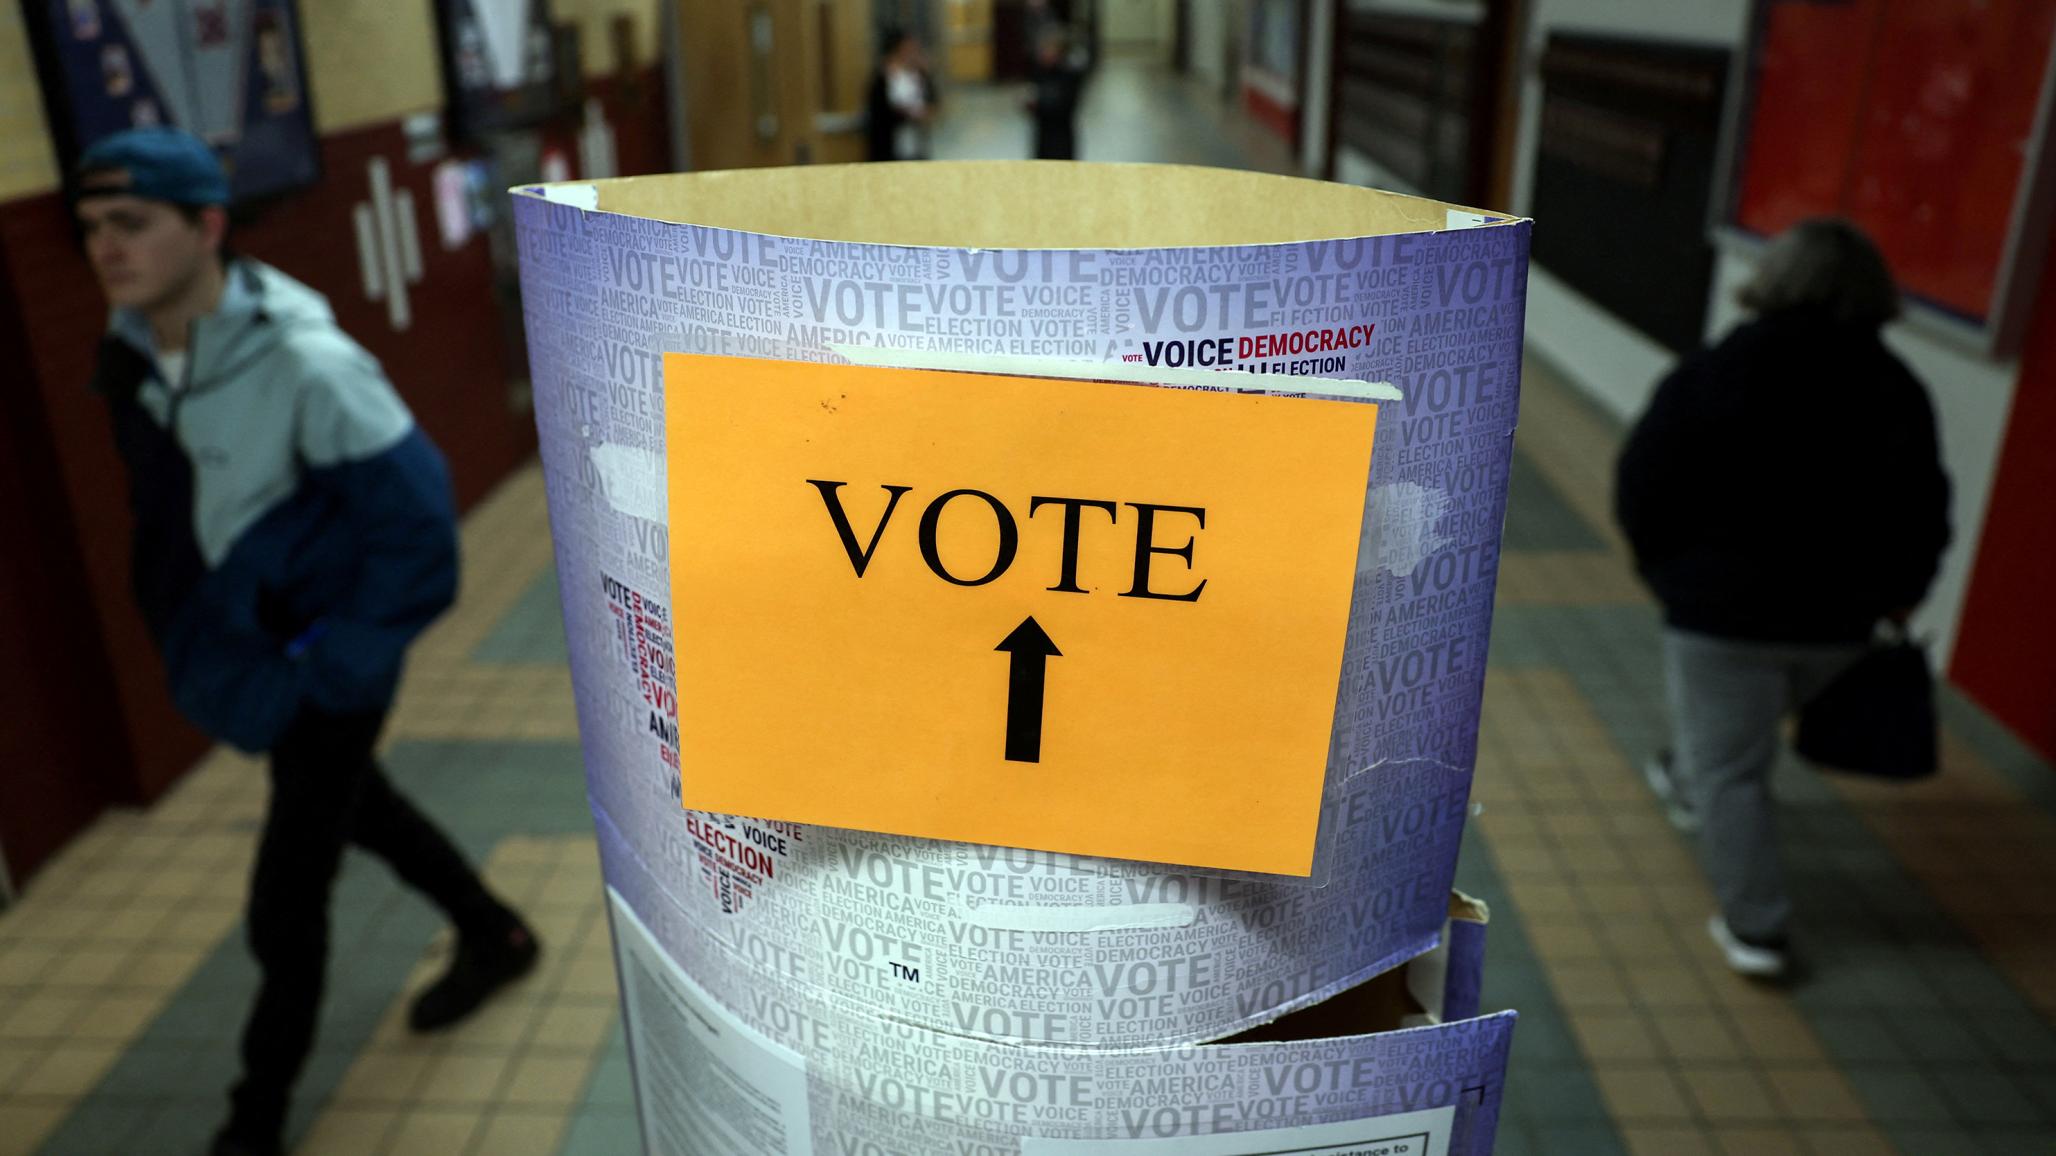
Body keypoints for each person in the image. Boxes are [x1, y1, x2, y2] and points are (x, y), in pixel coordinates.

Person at [71, 127, 538, 1156]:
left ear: (207, 226)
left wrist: (330, 669)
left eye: (132, 224)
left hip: (322, 661)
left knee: (287, 901)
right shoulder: (136, 341)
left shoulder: (307, 363)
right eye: (93, 227)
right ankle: (496, 929)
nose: (107, 248)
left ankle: (255, 1120)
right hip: (258, 657)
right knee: (357, 805)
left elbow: (419, 537)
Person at [1615, 218, 1950, 980]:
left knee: (1733, 772)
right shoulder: (1896, 388)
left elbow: (1644, 482)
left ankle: (1757, 930)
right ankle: (1684, 768)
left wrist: (1664, 574)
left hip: (1718, 614)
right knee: (1732, 733)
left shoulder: (1717, 373)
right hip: (1842, 620)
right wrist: (1901, 596)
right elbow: (1924, 507)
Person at [866, 29, 935, 161]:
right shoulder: (882, 77)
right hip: (889, 142)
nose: (912, 53)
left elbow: (931, 99)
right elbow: (879, 110)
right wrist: (905, 113)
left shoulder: (918, 74)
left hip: (914, 139)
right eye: (907, 49)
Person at [1025, 25, 1084, 160]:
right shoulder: (1039, 71)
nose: (1042, 54)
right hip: (1043, 134)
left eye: (1047, 49)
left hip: (1060, 137)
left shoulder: (1069, 74)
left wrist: (1038, 106)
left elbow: (1066, 106)